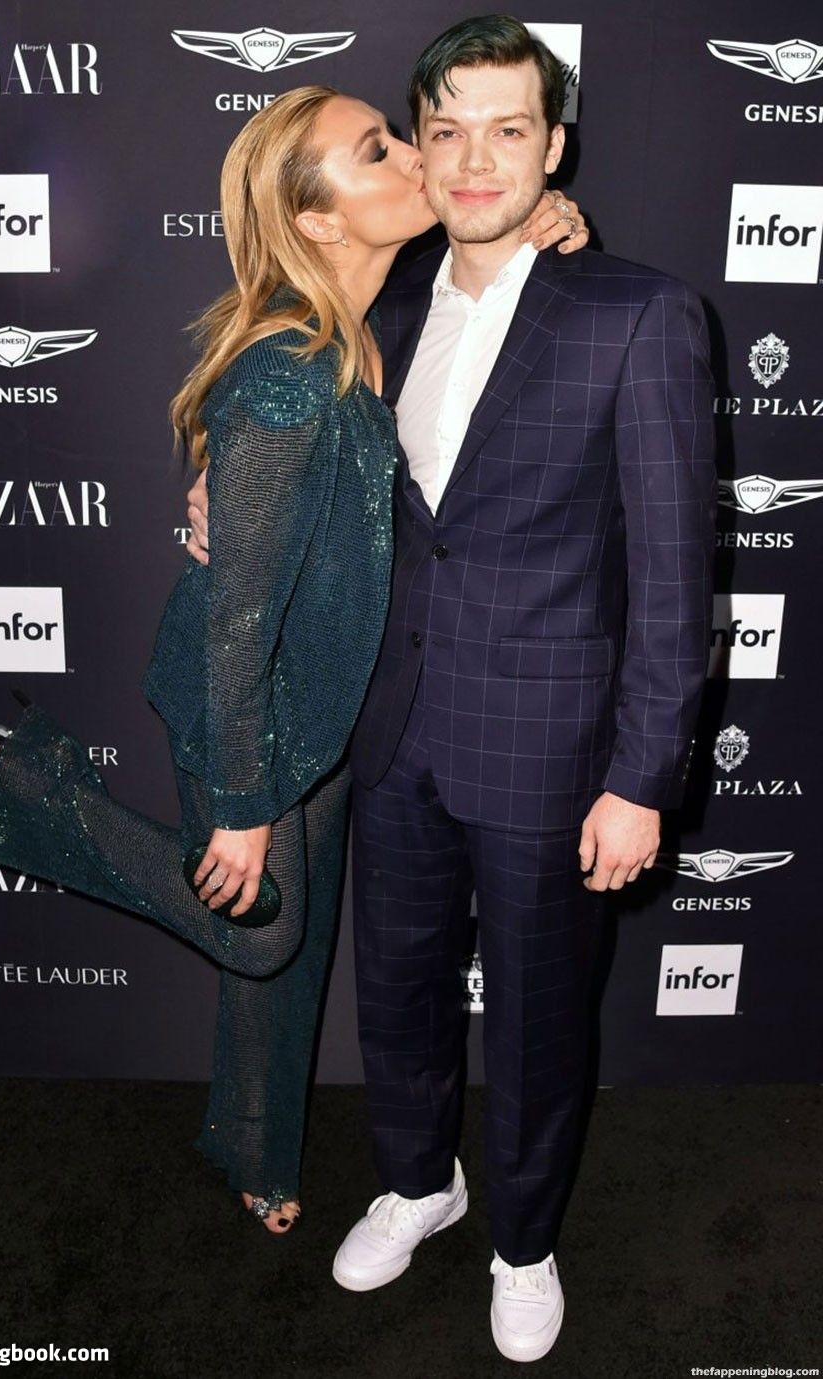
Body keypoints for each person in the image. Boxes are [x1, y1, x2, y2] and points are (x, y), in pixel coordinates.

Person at [0, 83, 589, 1237]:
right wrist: (242, 805)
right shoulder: (288, 375)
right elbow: (240, 621)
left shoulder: (383, 314)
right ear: (316, 217)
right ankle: (30, 776)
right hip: (242, 700)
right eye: (377, 150)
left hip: (334, 698)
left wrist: (552, 217)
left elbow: (486, 271)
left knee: (285, 957)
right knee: (263, 928)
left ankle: (254, 1143)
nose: (415, 155)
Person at [186, 10, 715, 1361]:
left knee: (538, 1017)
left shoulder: (638, 311)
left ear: (555, 146)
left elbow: (675, 575)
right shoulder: (379, 306)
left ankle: (524, 1238)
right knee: (401, 990)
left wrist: (641, 777)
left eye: (509, 129)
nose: (476, 160)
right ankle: (422, 1181)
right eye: (446, 130)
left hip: (552, 747)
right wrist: (210, 502)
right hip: (393, 727)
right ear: (419, 147)